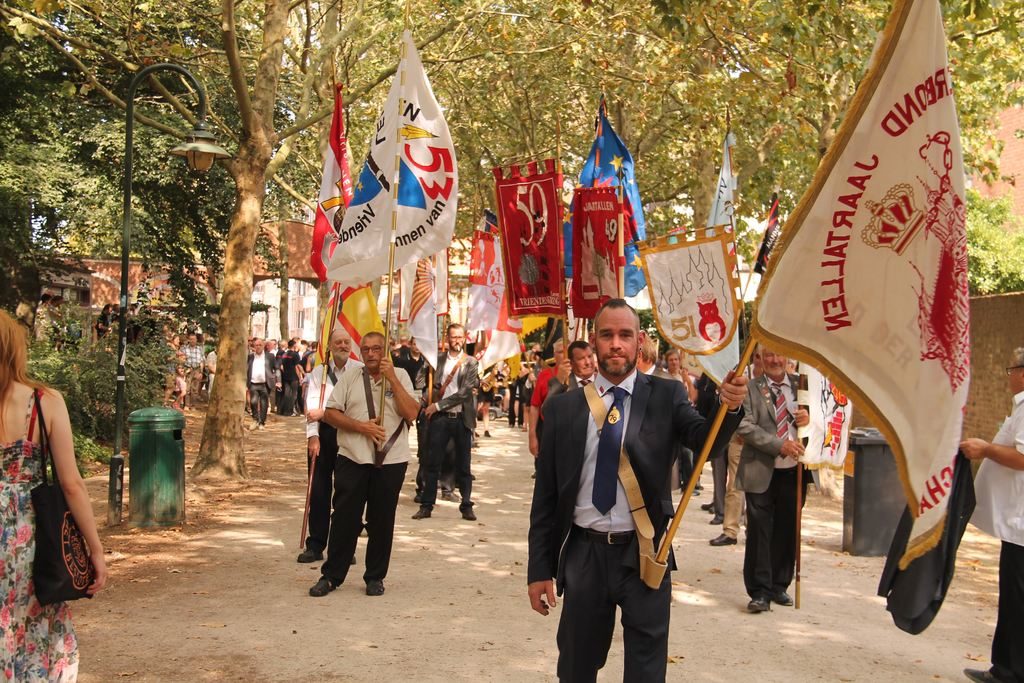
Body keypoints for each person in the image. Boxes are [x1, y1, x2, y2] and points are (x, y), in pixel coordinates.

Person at [527, 299, 748, 682]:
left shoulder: (667, 395)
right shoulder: (563, 410)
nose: (616, 344)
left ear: (639, 341)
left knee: (646, 672)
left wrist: (728, 409)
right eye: (607, 335)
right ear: (593, 341)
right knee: (576, 667)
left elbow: (706, 443)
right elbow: (546, 496)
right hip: (584, 556)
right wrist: (538, 569)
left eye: (625, 335)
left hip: (646, 554)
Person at [1, 310, 107, 678]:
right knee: (31, 627)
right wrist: (94, 550)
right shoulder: (43, 401)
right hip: (30, 539)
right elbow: (71, 484)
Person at [309, 332, 419, 597]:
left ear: (385, 351)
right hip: (353, 457)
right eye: (366, 349)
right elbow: (332, 413)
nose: (371, 354)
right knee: (344, 518)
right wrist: (361, 427)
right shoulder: (351, 377)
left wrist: (392, 378)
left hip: (390, 460)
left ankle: (375, 577)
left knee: (382, 520)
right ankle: (332, 575)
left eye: (376, 349)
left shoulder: (401, 375)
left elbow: (412, 413)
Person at [960, 348, 1024, 683]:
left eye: (1011, 369)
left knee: (1016, 600)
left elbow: (1022, 457)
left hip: (1020, 525)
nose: (1008, 376)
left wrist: (985, 449)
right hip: (1016, 524)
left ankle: (1009, 672)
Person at [734, 347, 810, 613]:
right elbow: (744, 425)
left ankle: (780, 585)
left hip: (795, 471)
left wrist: (809, 420)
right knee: (760, 531)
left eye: (780, 355)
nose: (775, 360)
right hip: (760, 469)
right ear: (760, 359)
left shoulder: (804, 384)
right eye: (768, 355)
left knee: (788, 529)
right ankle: (759, 591)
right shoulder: (751, 388)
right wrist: (779, 445)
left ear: (788, 356)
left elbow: (824, 420)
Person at [299, 328, 363, 563]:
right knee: (319, 491)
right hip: (324, 435)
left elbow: (357, 404)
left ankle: (345, 548)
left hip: (350, 433)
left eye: (347, 342)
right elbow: (311, 407)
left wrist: (324, 412)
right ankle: (315, 545)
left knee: (348, 493)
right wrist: (312, 437)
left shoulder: (359, 370)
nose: (343, 345)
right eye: (339, 342)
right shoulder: (319, 372)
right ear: (330, 346)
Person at [414, 323, 479, 521]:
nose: (457, 340)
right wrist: (426, 364)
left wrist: (438, 405)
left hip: (460, 419)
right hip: (440, 421)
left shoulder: (471, 362)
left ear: (464, 338)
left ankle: (466, 505)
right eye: (453, 337)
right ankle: (426, 505)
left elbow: (465, 392)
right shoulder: (438, 359)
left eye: (460, 337)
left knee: (464, 466)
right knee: (432, 464)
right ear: (447, 338)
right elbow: (419, 382)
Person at [711, 347, 764, 547]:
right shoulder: (744, 376)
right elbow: (734, 406)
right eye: (757, 356)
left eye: (763, 356)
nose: (761, 361)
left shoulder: (772, 381)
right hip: (739, 440)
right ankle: (730, 530)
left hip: (762, 444)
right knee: (734, 485)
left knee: (758, 488)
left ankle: (754, 529)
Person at [529, 339, 566, 458]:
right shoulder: (545, 375)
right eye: (561, 352)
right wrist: (532, 435)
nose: (565, 355)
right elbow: (535, 406)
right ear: (554, 354)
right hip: (546, 429)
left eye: (568, 351)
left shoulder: (581, 376)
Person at [543, 340, 596, 407]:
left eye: (590, 356)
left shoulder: (606, 379)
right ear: (571, 363)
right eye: (581, 358)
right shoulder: (562, 385)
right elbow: (546, 409)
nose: (588, 362)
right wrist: (559, 382)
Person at [246, 338, 280, 430]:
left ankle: (262, 422)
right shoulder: (250, 357)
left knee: (264, 403)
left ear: (263, 346)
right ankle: (255, 419)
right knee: (253, 402)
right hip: (253, 383)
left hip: (265, 384)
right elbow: (247, 370)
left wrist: (278, 380)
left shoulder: (270, 356)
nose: (258, 347)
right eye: (256, 345)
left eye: (260, 345)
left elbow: (277, 368)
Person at [278, 339, 304, 417]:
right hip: (293, 377)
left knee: (286, 394)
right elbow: (297, 366)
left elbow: (281, 366)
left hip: (286, 376)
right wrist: (300, 376)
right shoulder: (295, 355)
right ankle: (289, 411)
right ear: (294, 345)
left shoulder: (284, 354)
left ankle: (283, 410)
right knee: (294, 394)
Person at [182, 333, 205, 409]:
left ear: (196, 340)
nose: (192, 341)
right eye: (191, 339)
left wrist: (201, 372)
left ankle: (193, 405)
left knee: (194, 389)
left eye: (194, 339)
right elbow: (180, 359)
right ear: (188, 340)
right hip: (187, 369)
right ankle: (186, 405)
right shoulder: (184, 348)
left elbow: (202, 361)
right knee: (187, 388)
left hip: (197, 369)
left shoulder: (200, 349)